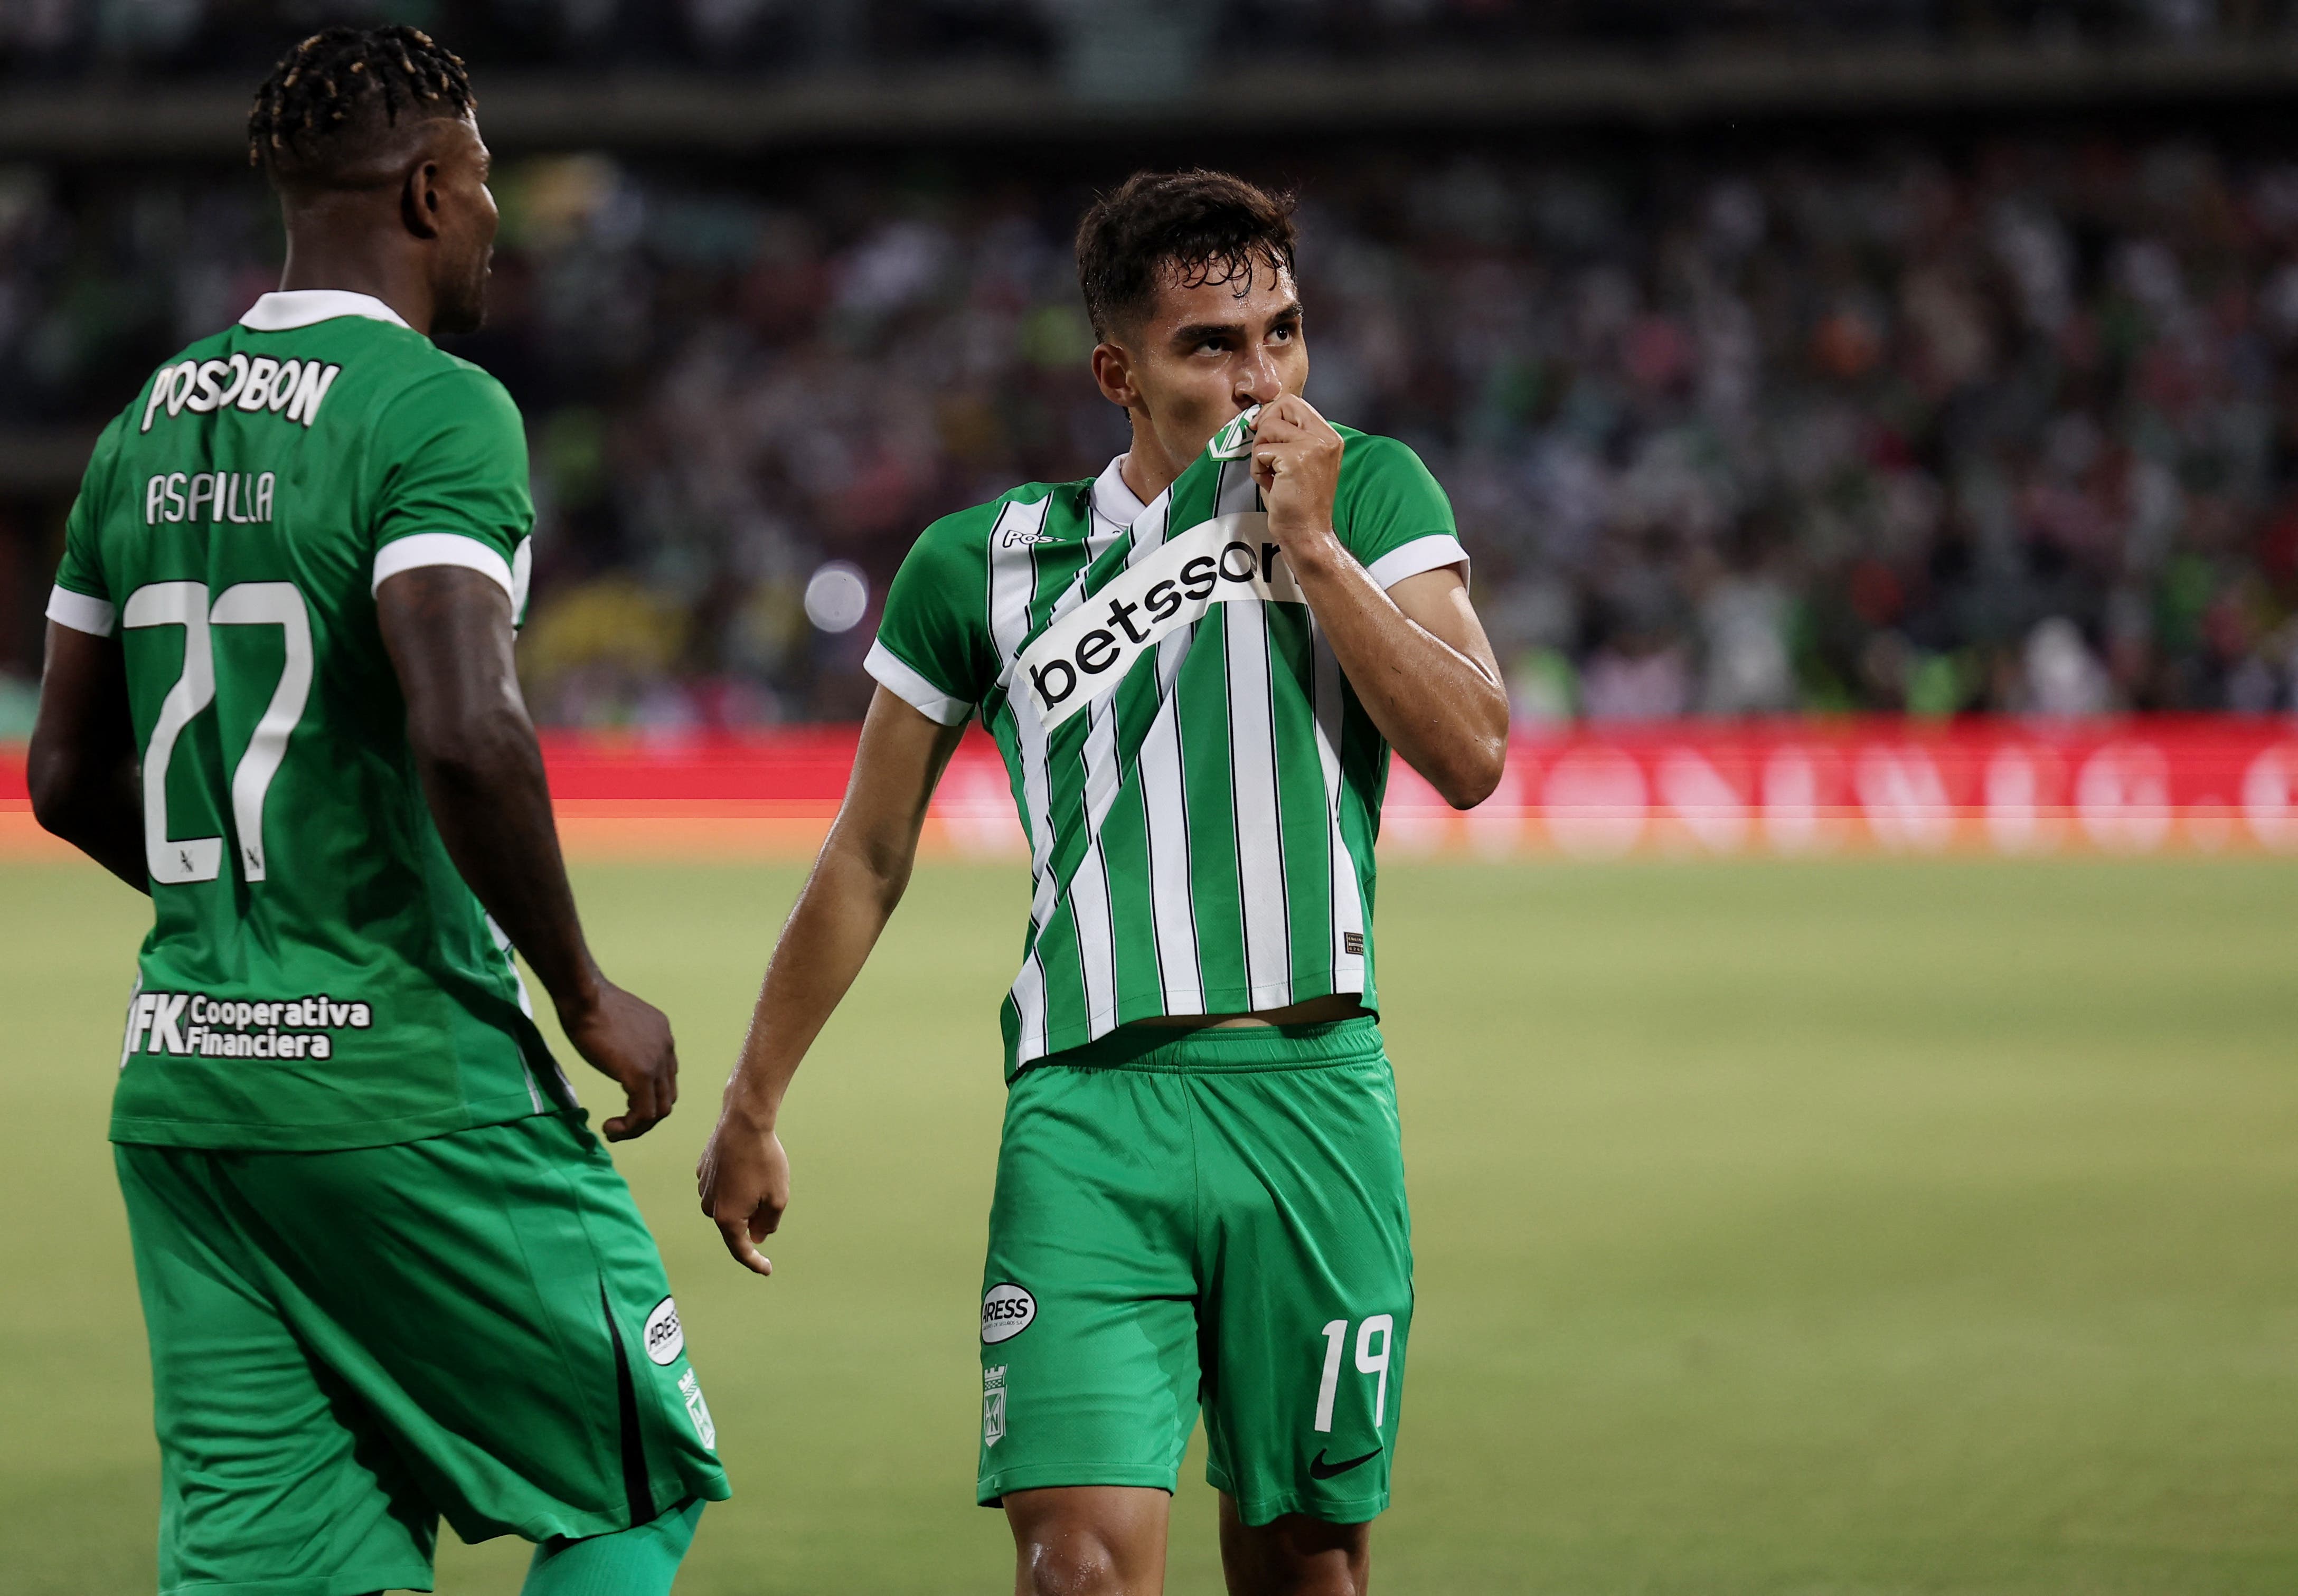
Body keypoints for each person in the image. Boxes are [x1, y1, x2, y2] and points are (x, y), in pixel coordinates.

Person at [698, 169, 1508, 1595]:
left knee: (1306, 1572)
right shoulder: (981, 566)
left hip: (1308, 1096)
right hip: (1085, 1114)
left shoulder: (1371, 490)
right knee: (1072, 1569)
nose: (1263, 379)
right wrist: (753, 1101)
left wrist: (1313, 548)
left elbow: (1474, 751)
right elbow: (870, 853)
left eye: (1284, 333)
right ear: (1116, 372)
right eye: (1214, 347)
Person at [26, 27, 726, 1596]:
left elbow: (63, 779)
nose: (491, 219)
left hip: (191, 1090)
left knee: (295, 1568)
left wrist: (252, 904)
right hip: (406, 1074)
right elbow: (470, 728)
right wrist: (587, 993)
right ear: (428, 190)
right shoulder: (436, 410)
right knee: (632, 1483)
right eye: (484, 185)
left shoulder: (139, 427)